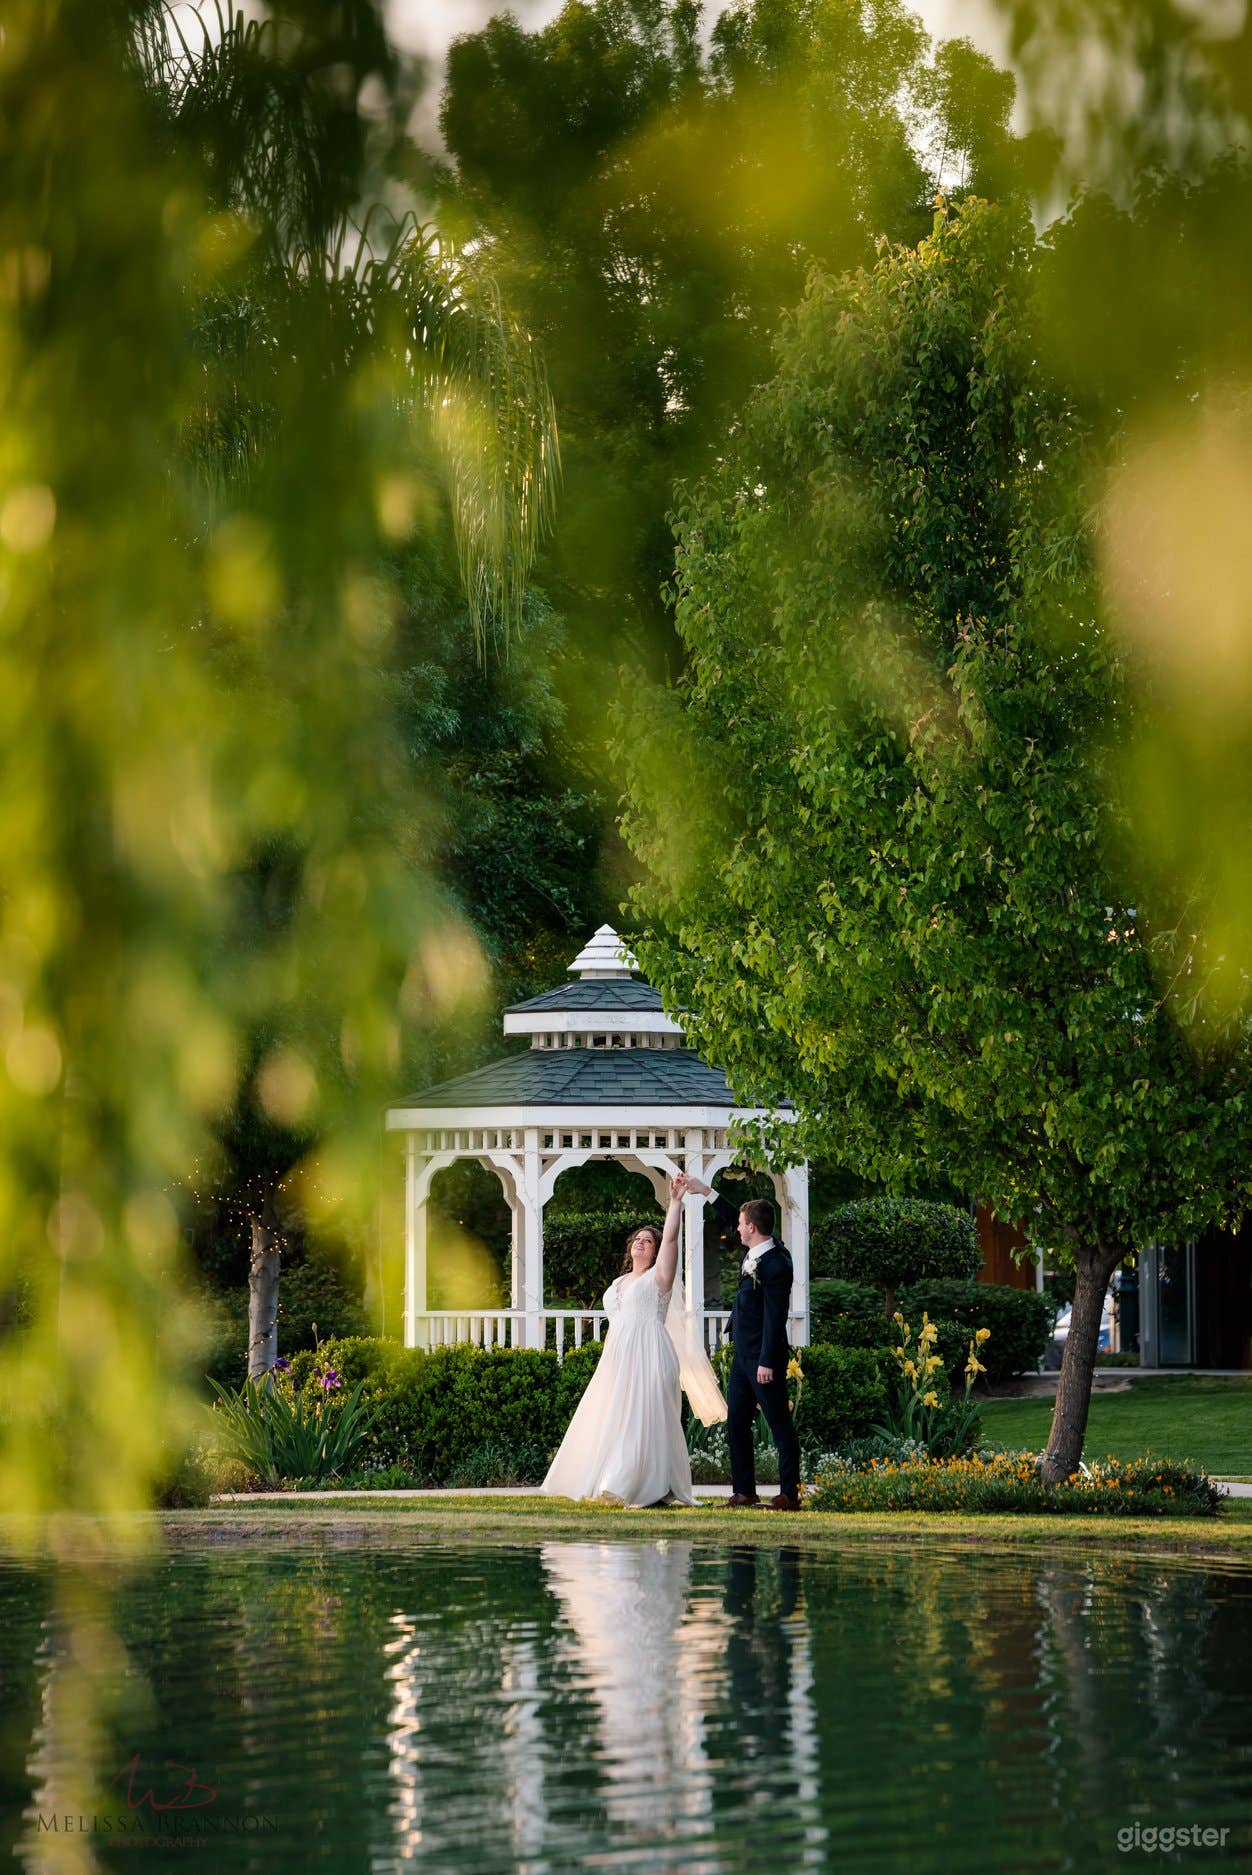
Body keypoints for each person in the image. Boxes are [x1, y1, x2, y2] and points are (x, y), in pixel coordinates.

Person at [540, 1176, 727, 1507]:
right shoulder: (617, 1283)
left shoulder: (660, 1278)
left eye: (648, 1241)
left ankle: (632, 1483)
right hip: (619, 1356)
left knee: (645, 1418)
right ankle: (605, 1478)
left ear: (655, 1252)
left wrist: (676, 1203)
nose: (641, 1243)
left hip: (652, 1351)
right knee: (612, 1417)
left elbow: (671, 1240)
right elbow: (615, 1324)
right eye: (637, 1239)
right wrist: (606, 1363)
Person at [681, 1175, 802, 1511]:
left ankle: (789, 1495)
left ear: (751, 1227)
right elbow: (732, 1212)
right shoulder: (757, 1249)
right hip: (742, 1355)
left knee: (779, 1425)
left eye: (740, 1225)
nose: (735, 1229)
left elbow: (776, 1316)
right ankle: (744, 1491)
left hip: (765, 1358)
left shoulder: (776, 1262)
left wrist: (765, 1361)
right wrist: (705, 1191)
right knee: (737, 1422)